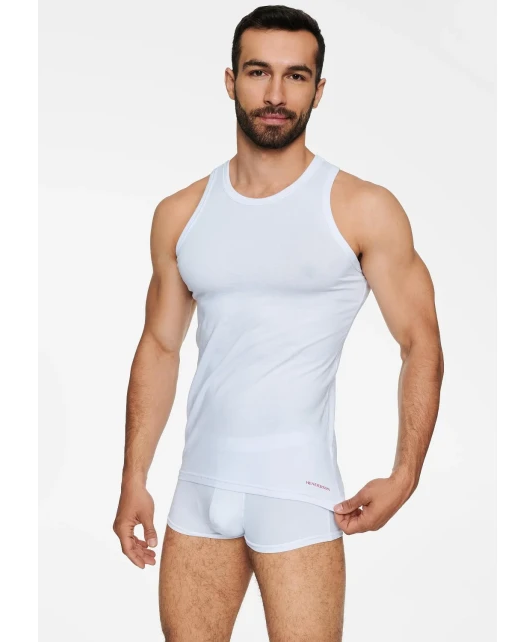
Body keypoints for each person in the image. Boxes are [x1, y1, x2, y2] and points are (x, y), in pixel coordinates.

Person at [113, 5, 444, 641]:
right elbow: (160, 346)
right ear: (230, 80)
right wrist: (134, 477)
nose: (275, 94)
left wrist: (405, 474)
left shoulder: (361, 209)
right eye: (258, 71)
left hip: (299, 492)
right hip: (198, 490)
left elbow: (419, 341)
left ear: (318, 91)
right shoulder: (181, 213)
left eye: (296, 76)